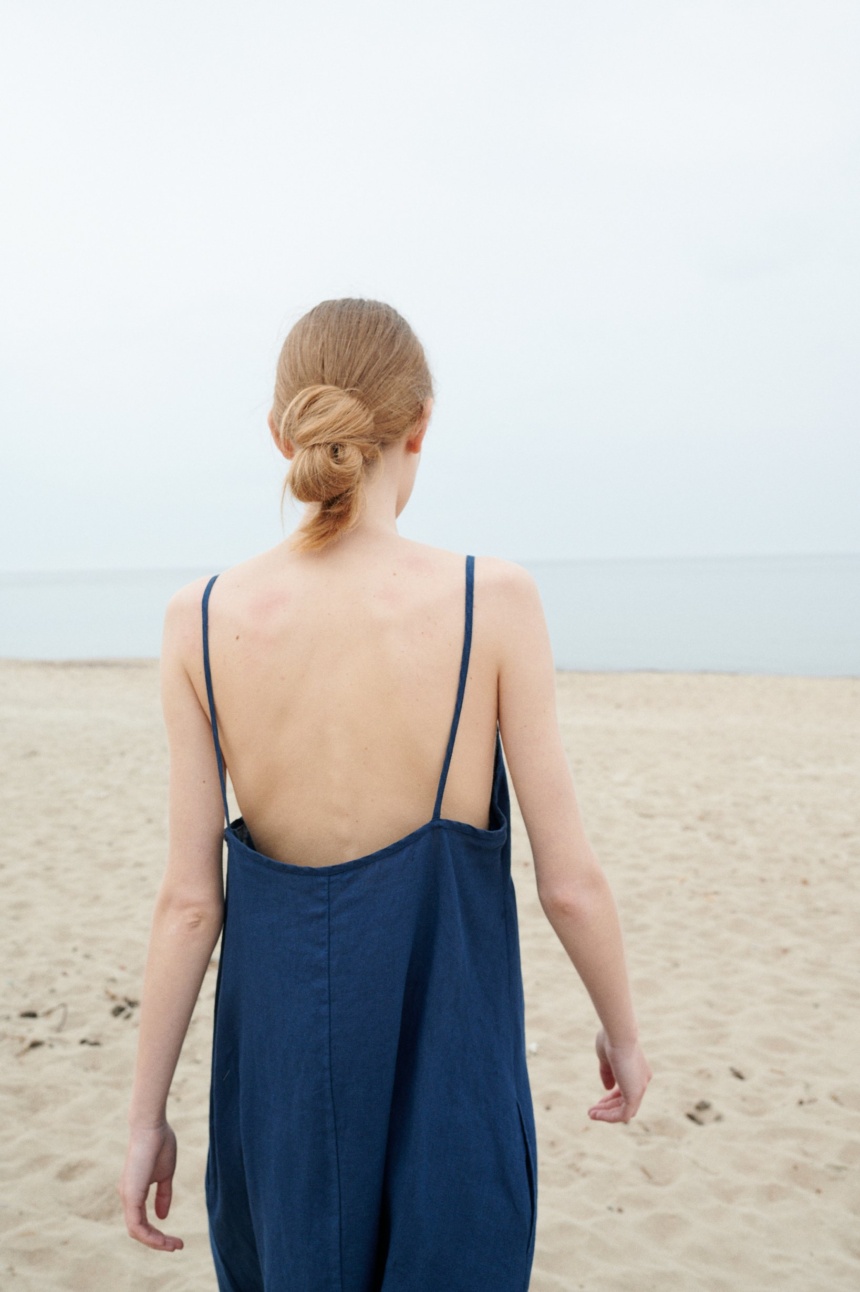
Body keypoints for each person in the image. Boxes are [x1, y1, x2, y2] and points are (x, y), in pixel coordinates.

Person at [118, 298, 651, 1289]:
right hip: (452, 1084)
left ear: (282, 432)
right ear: (421, 425)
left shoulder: (194, 619)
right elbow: (568, 878)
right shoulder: (491, 599)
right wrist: (619, 1027)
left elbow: (190, 901)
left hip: (274, 1092)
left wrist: (146, 1118)